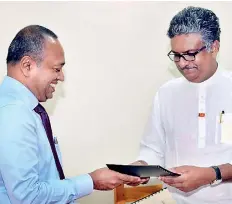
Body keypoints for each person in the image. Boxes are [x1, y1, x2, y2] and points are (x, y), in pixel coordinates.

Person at [0, 25, 144, 204]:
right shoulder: (14, 113)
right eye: (56, 69)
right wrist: (92, 181)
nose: (61, 77)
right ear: (27, 66)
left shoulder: (21, 109)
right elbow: (28, 197)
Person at [133, 6, 232, 204]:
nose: (182, 63)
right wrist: (141, 166)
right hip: (175, 200)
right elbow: (153, 147)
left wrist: (212, 174)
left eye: (190, 53)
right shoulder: (166, 93)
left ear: (214, 47)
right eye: (176, 55)